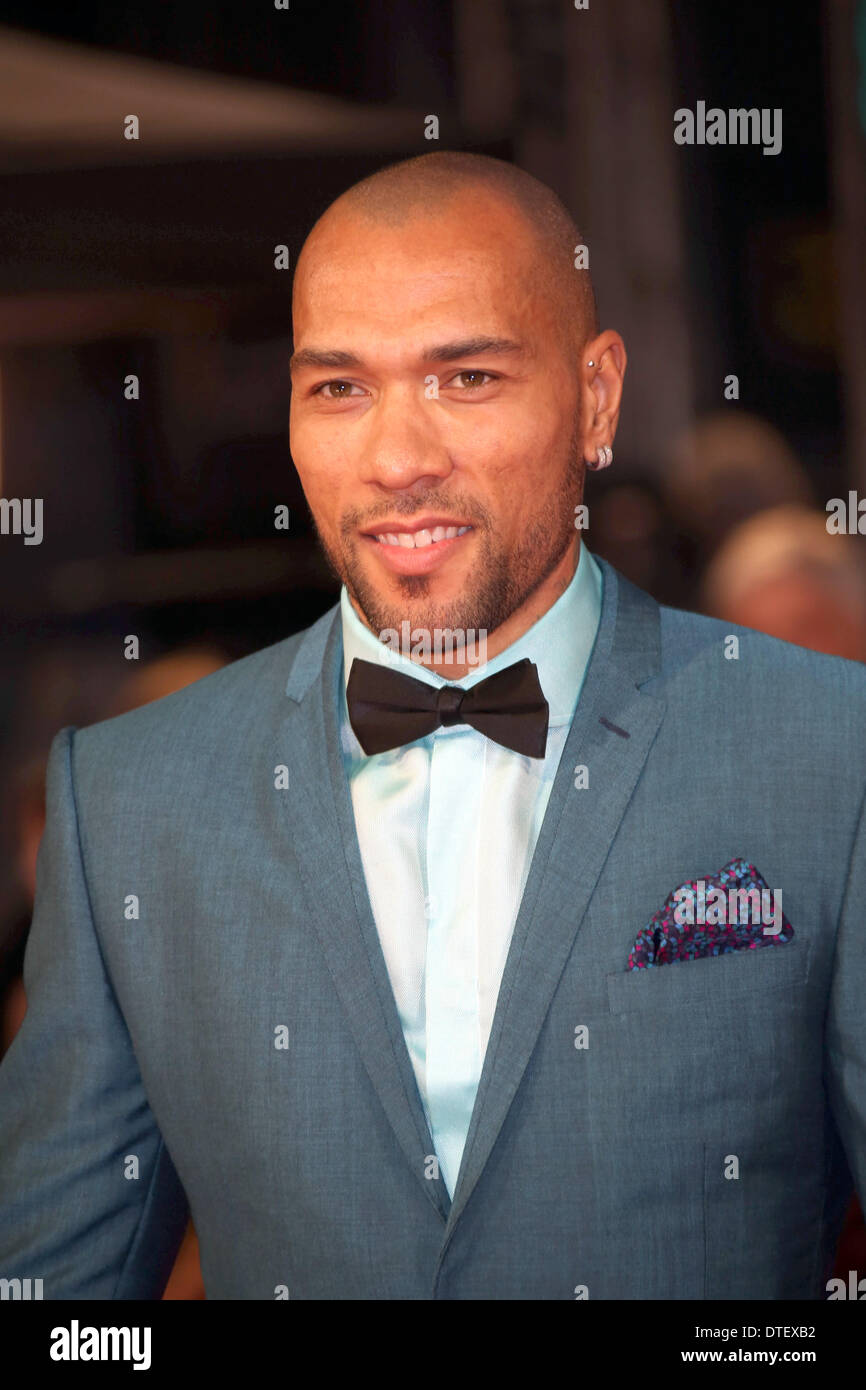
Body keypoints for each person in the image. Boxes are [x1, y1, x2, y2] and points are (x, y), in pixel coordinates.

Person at [0, 151, 864, 1300]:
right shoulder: (128, 800)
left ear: (595, 397)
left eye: (464, 378)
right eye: (339, 388)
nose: (398, 460)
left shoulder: (824, 752)